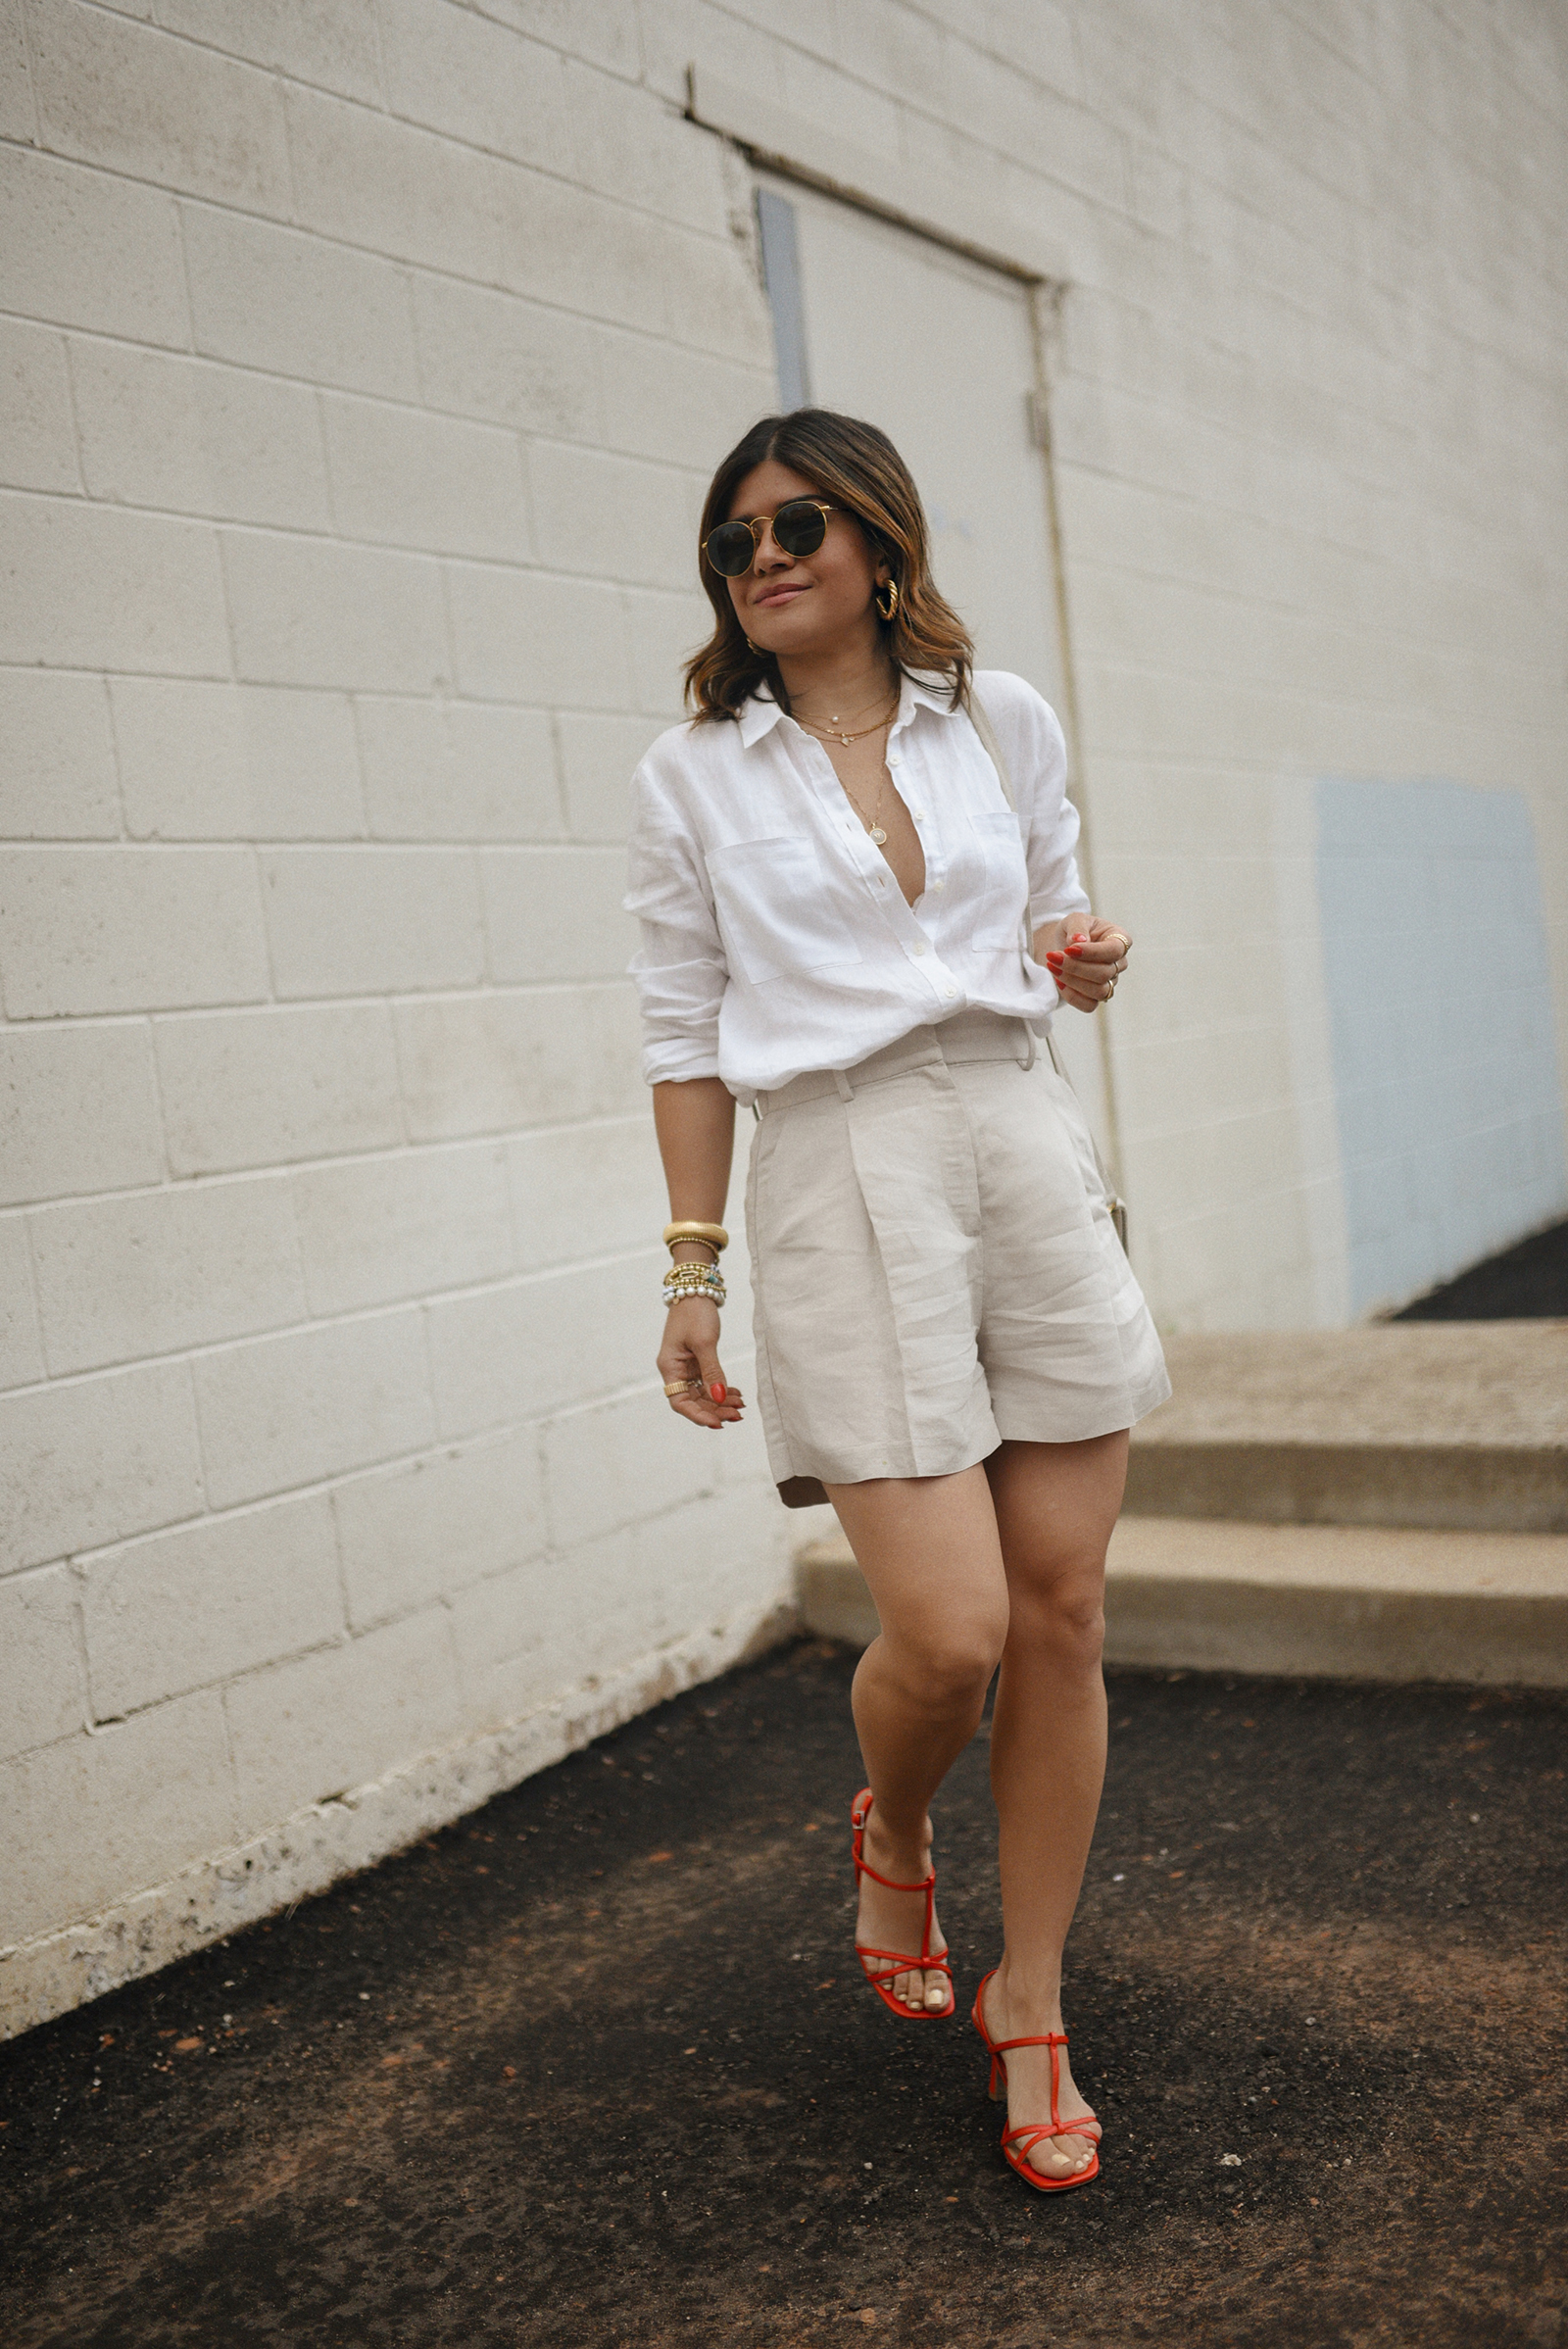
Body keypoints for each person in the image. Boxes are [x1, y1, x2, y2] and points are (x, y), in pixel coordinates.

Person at [623, 409, 1169, 2193]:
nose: (765, 557)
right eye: (735, 541)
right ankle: (900, 1820)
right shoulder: (691, 772)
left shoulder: (999, 718)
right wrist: (689, 1271)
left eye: (796, 524)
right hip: (836, 1166)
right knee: (950, 1634)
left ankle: (1035, 1999)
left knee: (1063, 1609)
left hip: (1016, 1138)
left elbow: (1059, 943)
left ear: (874, 538)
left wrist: (1082, 965)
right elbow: (688, 1042)